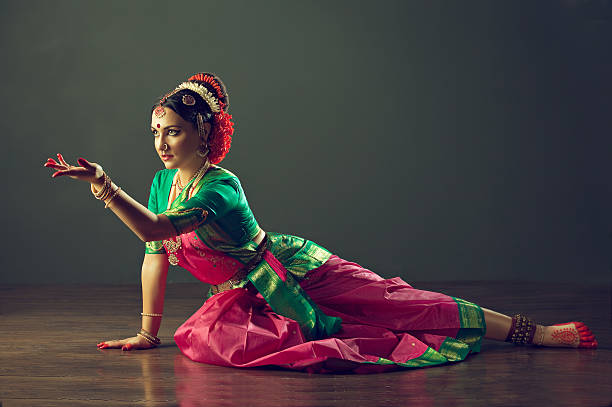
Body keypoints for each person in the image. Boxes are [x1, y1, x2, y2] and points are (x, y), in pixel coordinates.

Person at [44, 72, 597, 373]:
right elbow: (154, 256)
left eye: (175, 132)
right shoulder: (163, 185)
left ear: (204, 134)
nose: (163, 144)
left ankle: (535, 333)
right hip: (244, 293)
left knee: (401, 303)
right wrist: (147, 333)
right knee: (205, 338)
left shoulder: (220, 186)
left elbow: (156, 231)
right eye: (156, 132)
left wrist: (104, 187)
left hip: (292, 270)